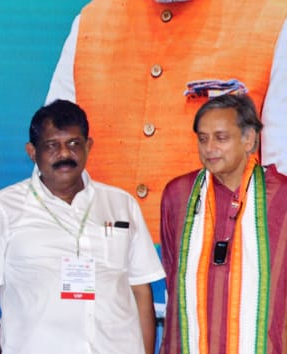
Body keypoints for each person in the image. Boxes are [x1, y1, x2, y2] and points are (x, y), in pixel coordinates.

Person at [0, 100, 163, 354]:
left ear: (89, 146)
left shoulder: (121, 204)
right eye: (52, 145)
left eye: (74, 143)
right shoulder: (1, 209)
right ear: (32, 152)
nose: (65, 154)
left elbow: (141, 292)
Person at [46, 0, 287, 239]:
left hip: (219, 258)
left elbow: (281, 177)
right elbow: (50, 173)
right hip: (98, 255)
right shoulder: (92, 22)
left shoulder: (274, 19)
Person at [157, 94, 287, 354]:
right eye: (202, 138)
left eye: (221, 137)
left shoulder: (282, 198)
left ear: (250, 139)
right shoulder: (179, 196)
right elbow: (171, 273)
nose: (209, 148)